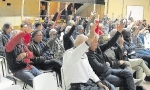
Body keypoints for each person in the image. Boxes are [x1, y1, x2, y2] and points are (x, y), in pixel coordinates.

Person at [63, 23, 115, 90]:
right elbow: (76, 54)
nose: (89, 46)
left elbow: (90, 72)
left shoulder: (84, 55)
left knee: (110, 87)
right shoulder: (69, 54)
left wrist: (99, 83)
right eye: (88, 44)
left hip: (87, 83)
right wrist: (90, 38)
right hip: (75, 87)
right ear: (81, 44)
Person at [86, 23, 136, 90]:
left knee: (128, 73)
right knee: (126, 81)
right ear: (89, 43)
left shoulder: (98, 48)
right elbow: (100, 68)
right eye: (95, 42)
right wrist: (107, 64)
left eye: (97, 41)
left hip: (109, 70)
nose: (97, 43)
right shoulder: (89, 55)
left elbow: (109, 44)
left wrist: (118, 32)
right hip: (103, 76)